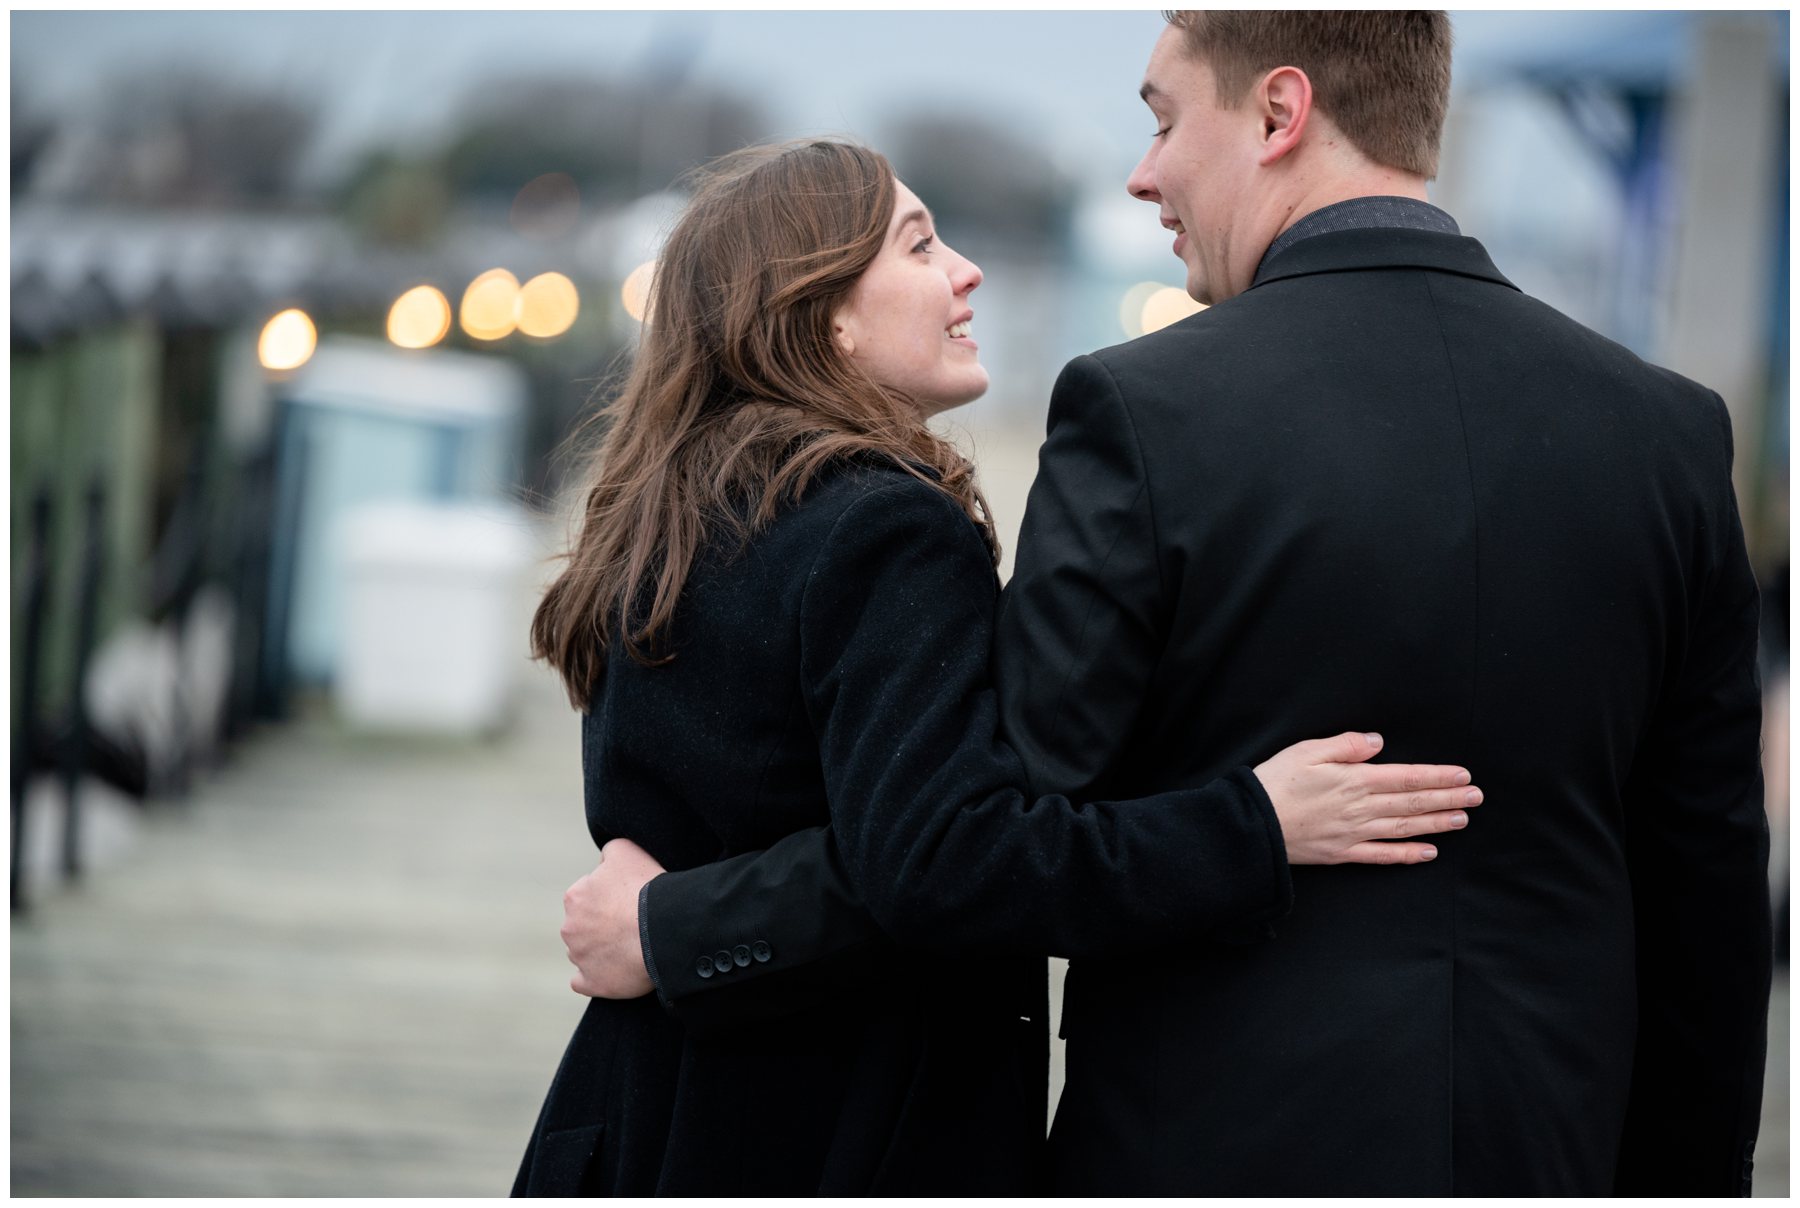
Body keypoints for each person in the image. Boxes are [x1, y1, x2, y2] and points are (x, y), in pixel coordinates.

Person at [562, 11, 1772, 1197]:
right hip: (1557, 1137)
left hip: (1197, 1144)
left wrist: (677, 923)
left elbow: (985, 818)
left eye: (1162, 119)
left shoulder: (1145, 416)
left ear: (1280, 112)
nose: (1144, 175)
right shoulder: (1667, 434)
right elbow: (1708, 881)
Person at [511, 137, 1480, 1197]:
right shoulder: (881, 526)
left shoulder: (666, 519)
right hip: (825, 1128)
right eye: (921, 246)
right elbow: (947, 859)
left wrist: (667, 929)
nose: (967, 271)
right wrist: (1258, 821)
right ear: (824, 310)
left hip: (639, 1112)